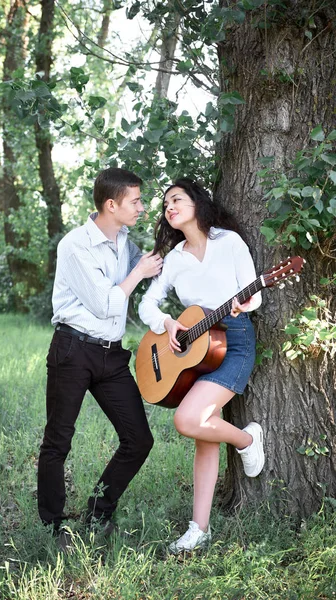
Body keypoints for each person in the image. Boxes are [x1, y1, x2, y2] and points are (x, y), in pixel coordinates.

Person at [138, 178, 265, 554]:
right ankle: (200, 528)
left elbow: (254, 293)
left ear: (196, 203)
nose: (169, 208)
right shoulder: (174, 258)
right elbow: (148, 304)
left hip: (235, 341)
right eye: (165, 205)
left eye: (176, 199)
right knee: (202, 433)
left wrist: (244, 305)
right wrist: (166, 323)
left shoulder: (229, 242)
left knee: (188, 420)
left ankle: (247, 439)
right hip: (195, 348)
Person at [37, 167, 163, 544]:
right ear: (112, 204)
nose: (142, 207)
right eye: (136, 201)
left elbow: (156, 270)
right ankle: (54, 525)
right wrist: (139, 271)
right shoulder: (75, 245)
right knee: (58, 440)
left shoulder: (125, 241)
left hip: (111, 356)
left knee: (139, 439)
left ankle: (98, 511)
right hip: (73, 350)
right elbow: (107, 303)